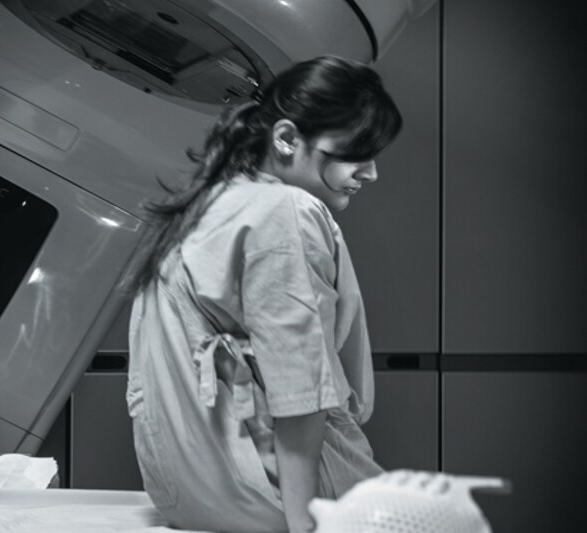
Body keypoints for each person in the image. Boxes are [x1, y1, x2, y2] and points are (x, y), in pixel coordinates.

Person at [123, 55, 402, 533]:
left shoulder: (204, 204)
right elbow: (300, 391)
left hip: (189, 499)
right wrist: (305, 524)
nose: (370, 172)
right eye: (357, 151)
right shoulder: (284, 210)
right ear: (288, 139)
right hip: (273, 496)